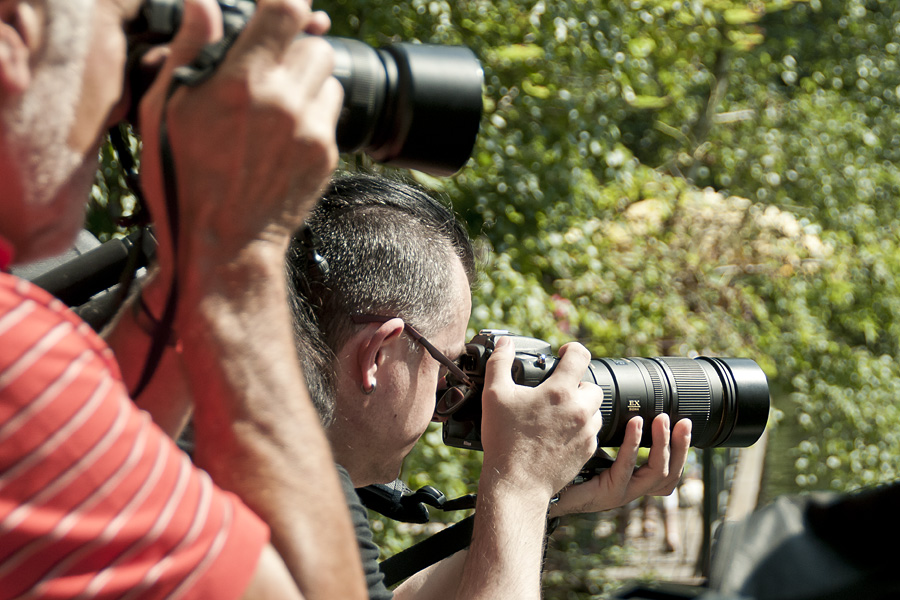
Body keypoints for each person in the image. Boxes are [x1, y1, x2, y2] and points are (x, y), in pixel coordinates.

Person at [0, 0, 367, 598]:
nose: (128, 102)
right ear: (14, 31)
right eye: (126, 36)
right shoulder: (16, 362)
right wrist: (239, 258)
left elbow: (88, 448)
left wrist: (193, 263)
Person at [285, 173, 693, 599]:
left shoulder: (250, 460)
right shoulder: (300, 497)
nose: (450, 395)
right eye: (448, 367)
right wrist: (522, 484)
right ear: (378, 356)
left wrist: (548, 498)